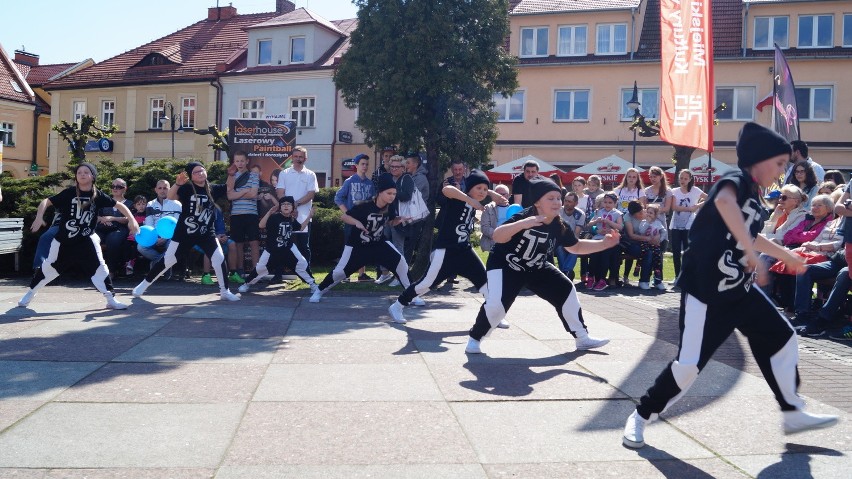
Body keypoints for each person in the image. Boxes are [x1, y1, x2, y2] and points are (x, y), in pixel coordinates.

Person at [622, 122, 838, 450]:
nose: (783, 172)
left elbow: (751, 233)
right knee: (688, 366)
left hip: (739, 291)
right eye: (779, 164)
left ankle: (792, 411)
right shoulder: (734, 181)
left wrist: (784, 255)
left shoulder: (755, 195)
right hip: (705, 295)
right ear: (759, 159)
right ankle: (641, 414)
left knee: (782, 337)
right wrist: (750, 253)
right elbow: (724, 204)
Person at [464, 177, 619, 355]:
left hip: (536, 267)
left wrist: (604, 245)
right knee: (496, 306)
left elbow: (576, 246)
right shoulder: (524, 216)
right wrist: (523, 224)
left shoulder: (559, 225)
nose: (556, 202)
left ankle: (582, 338)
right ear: (537, 202)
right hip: (505, 266)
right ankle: (475, 339)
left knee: (566, 289)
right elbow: (498, 236)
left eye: (558, 198)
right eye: (550, 198)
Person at [388, 170, 507, 324]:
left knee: (485, 281)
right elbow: (446, 190)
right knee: (425, 284)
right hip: (445, 251)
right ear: (468, 188)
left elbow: (479, 191)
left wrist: (491, 193)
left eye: (485, 189)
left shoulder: (476, 200)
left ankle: (494, 315)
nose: (482, 192)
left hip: (465, 250)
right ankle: (397, 306)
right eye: (479, 188)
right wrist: (471, 200)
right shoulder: (458, 198)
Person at [19, 163, 139, 309]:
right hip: (64, 241)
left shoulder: (98, 195)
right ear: (76, 177)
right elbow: (46, 201)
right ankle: (31, 292)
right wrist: (39, 217)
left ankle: (110, 299)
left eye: (86, 172)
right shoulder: (69, 193)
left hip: (86, 240)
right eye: (79, 172)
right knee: (49, 268)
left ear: (92, 176)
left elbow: (119, 205)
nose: (82, 174)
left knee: (100, 268)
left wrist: (132, 220)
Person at [133, 162, 241, 301]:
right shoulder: (187, 188)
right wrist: (177, 184)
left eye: (202, 170)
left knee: (218, 258)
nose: (200, 173)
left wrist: (231, 175)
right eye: (196, 172)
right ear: (191, 176)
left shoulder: (212, 188)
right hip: (184, 234)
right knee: (168, 261)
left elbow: (229, 187)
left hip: (206, 233)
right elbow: (170, 197)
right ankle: (142, 286)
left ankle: (224, 292)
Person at [310, 173, 415, 303]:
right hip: (357, 246)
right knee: (339, 272)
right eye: (389, 193)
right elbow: (344, 217)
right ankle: (319, 291)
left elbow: (390, 221)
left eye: (394, 194)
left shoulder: (390, 206)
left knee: (401, 263)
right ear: (379, 192)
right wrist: (357, 222)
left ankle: (412, 295)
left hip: (379, 244)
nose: (392, 197)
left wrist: (400, 220)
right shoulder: (364, 205)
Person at [239, 196, 317, 294]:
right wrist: (269, 213)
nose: (286, 206)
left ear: (292, 207)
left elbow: (300, 228)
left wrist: (309, 216)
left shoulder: (292, 219)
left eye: (288, 204)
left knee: (302, 263)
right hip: (272, 250)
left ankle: (313, 284)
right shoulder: (274, 217)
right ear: (280, 207)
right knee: (260, 269)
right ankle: (246, 284)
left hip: (288, 249)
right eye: (283, 204)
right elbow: (261, 225)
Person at [334, 153, 376, 282]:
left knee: (363, 247)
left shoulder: (370, 184)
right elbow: (338, 198)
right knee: (349, 247)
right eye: (362, 164)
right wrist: (347, 213)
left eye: (367, 164)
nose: (365, 166)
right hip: (352, 221)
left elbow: (373, 201)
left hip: (365, 220)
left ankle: (361, 274)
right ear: (356, 165)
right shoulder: (350, 181)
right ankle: (345, 274)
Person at [276, 146, 318, 269]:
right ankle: (280, 273)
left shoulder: (311, 174)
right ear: (292, 158)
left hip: (304, 215)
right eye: (296, 156)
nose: (298, 159)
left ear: (305, 158)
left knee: (304, 246)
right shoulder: (284, 173)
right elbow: (280, 193)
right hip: (286, 215)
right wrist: (288, 208)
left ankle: (306, 272)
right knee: (283, 244)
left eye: (301, 157)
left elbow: (311, 194)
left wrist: (296, 205)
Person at [226, 150, 259, 282]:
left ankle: (255, 272)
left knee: (254, 242)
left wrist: (238, 193)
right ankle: (240, 271)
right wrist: (246, 190)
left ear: (247, 161)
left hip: (251, 214)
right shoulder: (231, 176)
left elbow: (253, 194)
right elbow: (229, 195)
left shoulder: (254, 175)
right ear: (234, 162)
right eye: (237, 161)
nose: (239, 163)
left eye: (242, 160)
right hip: (236, 214)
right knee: (238, 243)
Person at [669, 169, 707, 277]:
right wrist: (690, 208)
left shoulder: (695, 190)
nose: (683, 180)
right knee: (676, 251)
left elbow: (710, 197)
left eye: (685, 178)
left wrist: (698, 206)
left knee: (687, 250)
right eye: (681, 178)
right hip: (676, 223)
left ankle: (687, 275)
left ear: (690, 179)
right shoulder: (675, 191)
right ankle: (677, 275)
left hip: (689, 224)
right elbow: (674, 207)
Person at [138, 180, 181, 267]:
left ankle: (160, 265)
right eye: (160, 188)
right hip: (155, 235)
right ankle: (161, 263)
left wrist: (165, 238)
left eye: (165, 188)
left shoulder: (177, 204)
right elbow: (149, 224)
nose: (162, 190)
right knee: (141, 247)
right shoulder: (150, 204)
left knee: (172, 247)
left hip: (171, 237)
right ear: (156, 190)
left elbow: (176, 224)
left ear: (170, 189)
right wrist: (154, 237)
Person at [97, 177, 134, 279]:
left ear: (125, 188)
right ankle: (93, 270)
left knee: (113, 241)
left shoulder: (129, 203)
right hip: (102, 228)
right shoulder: (104, 201)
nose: (115, 188)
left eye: (118, 186)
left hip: (119, 229)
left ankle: (111, 270)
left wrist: (113, 218)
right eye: (113, 186)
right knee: (92, 240)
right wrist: (103, 219)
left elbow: (129, 219)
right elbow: (95, 216)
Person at [586, 192, 623, 291]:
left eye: (610, 202)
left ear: (615, 204)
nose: (607, 204)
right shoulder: (599, 212)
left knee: (605, 255)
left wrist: (610, 223)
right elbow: (589, 225)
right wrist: (596, 222)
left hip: (610, 238)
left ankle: (602, 279)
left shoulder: (617, 214)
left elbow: (620, 227)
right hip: (598, 237)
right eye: (605, 202)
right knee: (594, 255)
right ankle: (591, 277)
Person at [198, 208, 239, 286]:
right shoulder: (199, 210)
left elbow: (221, 229)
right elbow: (199, 228)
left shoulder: (217, 210)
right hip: (199, 238)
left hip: (216, 237)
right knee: (209, 245)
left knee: (232, 244)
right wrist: (215, 237)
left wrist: (223, 236)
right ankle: (205, 275)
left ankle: (233, 274)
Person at [556, 191, 585, 280]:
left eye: (570, 201)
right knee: (559, 246)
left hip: (572, 238)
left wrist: (570, 243)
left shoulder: (580, 214)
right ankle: (567, 273)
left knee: (576, 247)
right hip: (559, 239)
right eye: (565, 200)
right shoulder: (558, 211)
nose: (566, 203)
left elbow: (576, 234)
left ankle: (564, 272)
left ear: (576, 203)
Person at [638, 204, 667, 290]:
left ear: (655, 215)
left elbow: (663, 232)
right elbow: (641, 231)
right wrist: (647, 222)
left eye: (651, 213)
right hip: (645, 244)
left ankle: (657, 280)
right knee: (649, 255)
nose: (649, 214)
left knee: (658, 258)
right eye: (647, 212)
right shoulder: (643, 222)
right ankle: (644, 280)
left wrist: (660, 240)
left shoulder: (658, 223)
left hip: (655, 244)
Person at [479, 184, 511, 253]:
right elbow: (485, 227)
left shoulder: (513, 209)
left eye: (503, 194)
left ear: (508, 195)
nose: (500, 196)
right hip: (492, 243)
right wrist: (499, 235)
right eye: (497, 194)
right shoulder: (488, 208)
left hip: (509, 242)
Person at [124, 195, 148, 276]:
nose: (141, 206)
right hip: (133, 236)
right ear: (135, 206)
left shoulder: (148, 216)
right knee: (126, 244)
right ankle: (127, 262)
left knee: (135, 245)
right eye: (139, 204)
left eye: (143, 204)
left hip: (142, 236)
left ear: (146, 205)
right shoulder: (133, 216)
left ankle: (131, 263)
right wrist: (131, 229)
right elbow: (130, 225)